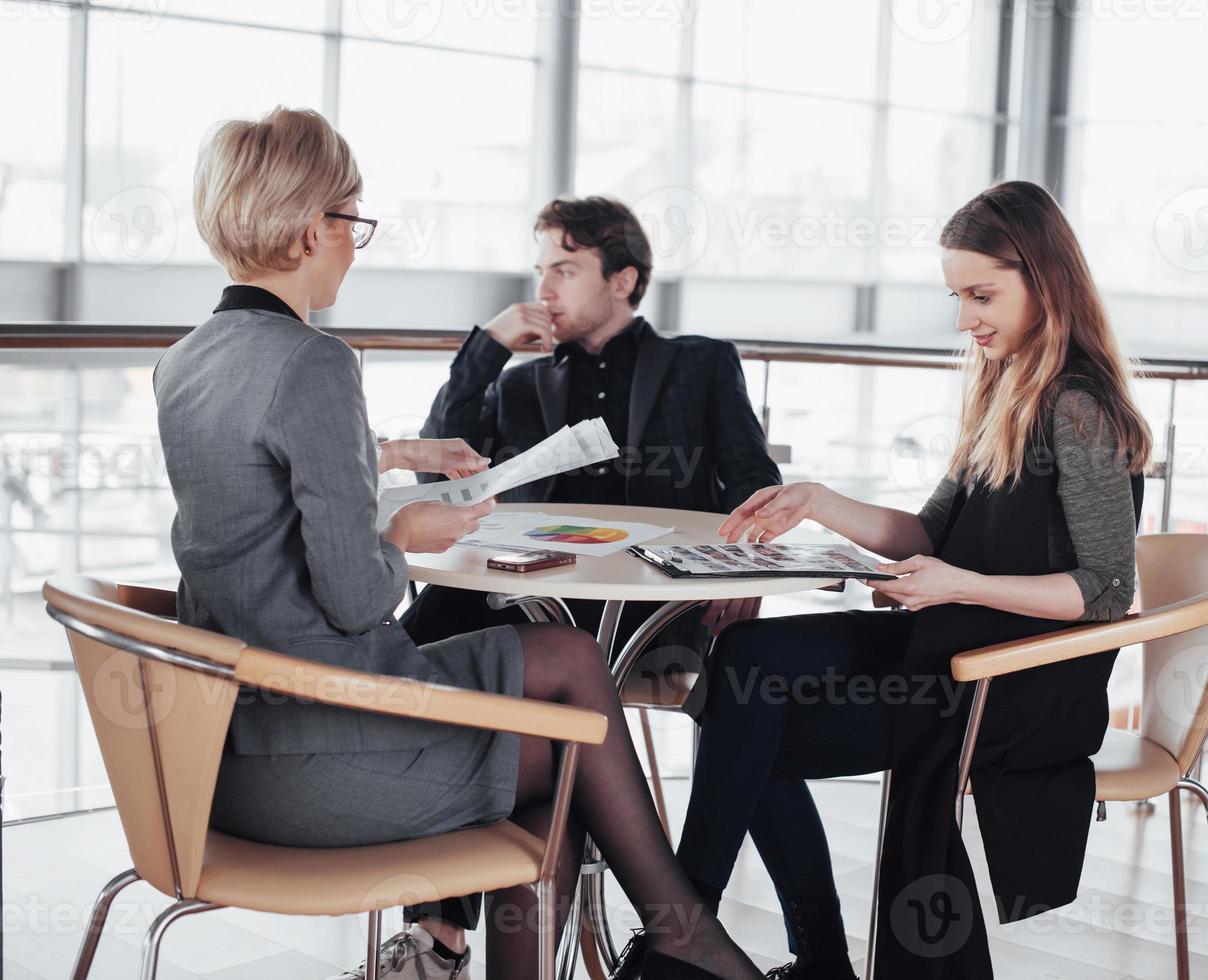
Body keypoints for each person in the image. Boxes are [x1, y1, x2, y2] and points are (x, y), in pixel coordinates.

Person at [153, 105, 762, 980]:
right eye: (353, 221)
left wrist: (383, 459)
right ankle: (685, 937)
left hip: (225, 755)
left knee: (564, 685)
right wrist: (402, 529)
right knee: (571, 716)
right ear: (311, 226)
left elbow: (255, 495)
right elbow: (358, 598)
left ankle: (659, 938)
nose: (355, 245)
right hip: (318, 764)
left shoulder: (187, 360)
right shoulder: (315, 361)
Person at [632, 180, 1153, 979]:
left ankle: (702, 944)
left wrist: (958, 585)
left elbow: (1107, 591)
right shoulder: (1003, 389)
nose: (965, 319)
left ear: (1046, 281)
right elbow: (927, 534)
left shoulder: (1076, 407)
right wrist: (818, 504)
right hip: (951, 635)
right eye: (957, 296)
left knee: (750, 730)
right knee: (740, 664)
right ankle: (703, 933)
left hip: (1013, 678)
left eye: (982, 295)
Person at [401, 195, 784, 963]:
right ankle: (440, 932)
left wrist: (747, 567)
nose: (545, 288)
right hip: (533, 598)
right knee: (416, 646)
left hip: (655, 614)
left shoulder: (702, 363)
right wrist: (486, 349)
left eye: (565, 270)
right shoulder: (520, 385)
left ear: (624, 279)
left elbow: (753, 479)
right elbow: (437, 468)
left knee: (519, 695)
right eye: (541, 270)